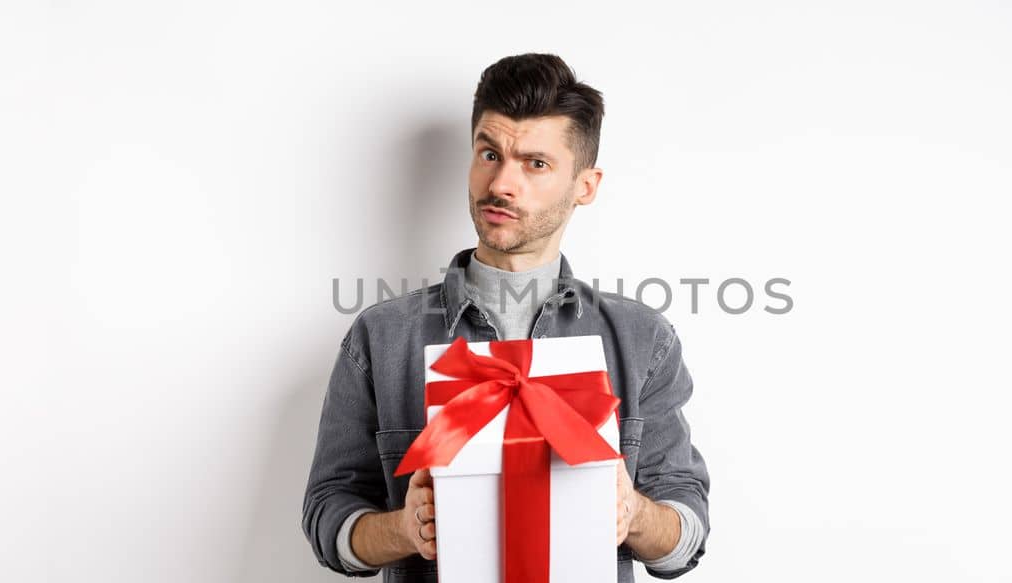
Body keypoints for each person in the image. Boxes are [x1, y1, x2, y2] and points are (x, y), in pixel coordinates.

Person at [302, 53, 710, 582]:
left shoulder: (642, 340)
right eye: (490, 154)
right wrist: (403, 530)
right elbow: (326, 517)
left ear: (584, 186)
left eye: (535, 164)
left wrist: (634, 514)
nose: (502, 184)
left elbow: (687, 533)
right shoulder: (380, 337)